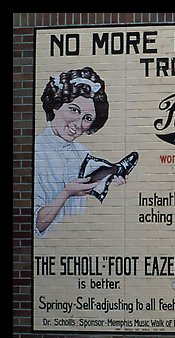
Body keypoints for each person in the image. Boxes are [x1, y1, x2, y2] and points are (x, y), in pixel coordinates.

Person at [34, 67, 132, 237]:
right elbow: (37, 225)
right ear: (56, 105)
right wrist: (67, 193)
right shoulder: (36, 152)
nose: (78, 124)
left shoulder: (83, 154)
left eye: (87, 118)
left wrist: (108, 186)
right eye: (74, 110)